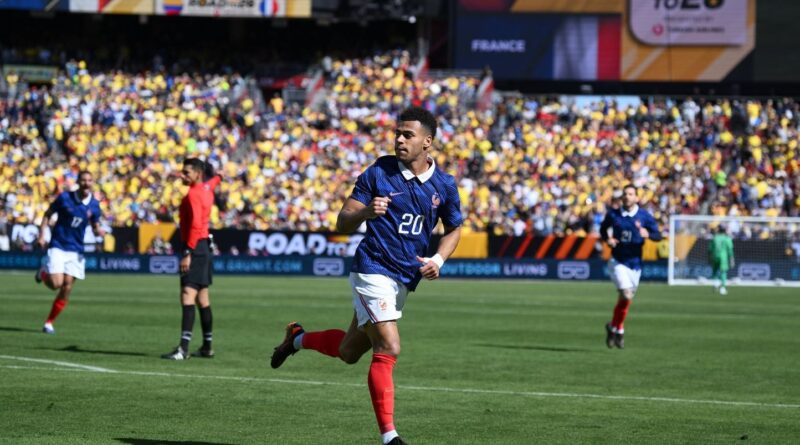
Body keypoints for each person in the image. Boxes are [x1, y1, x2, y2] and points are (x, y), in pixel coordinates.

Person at [270, 107, 463, 445]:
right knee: (389, 345)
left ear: (427, 142)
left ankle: (296, 338)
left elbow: (454, 229)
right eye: (398, 133)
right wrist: (364, 211)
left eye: (408, 135)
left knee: (349, 351)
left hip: (403, 278)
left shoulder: (444, 185)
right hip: (371, 269)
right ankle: (390, 437)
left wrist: (438, 258)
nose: (399, 139)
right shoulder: (378, 172)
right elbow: (342, 222)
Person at [162, 158, 221, 360]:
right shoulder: (207, 187)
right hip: (204, 246)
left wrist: (187, 253)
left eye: (187, 172)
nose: (182, 175)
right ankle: (207, 347)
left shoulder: (195, 194)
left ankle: (183, 349)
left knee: (187, 295)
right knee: (202, 299)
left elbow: (195, 226)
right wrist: (215, 173)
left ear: (197, 174)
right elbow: (216, 179)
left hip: (195, 247)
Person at [36, 171, 104, 334]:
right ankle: (43, 273)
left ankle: (49, 322)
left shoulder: (94, 205)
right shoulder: (65, 198)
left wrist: (98, 231)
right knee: (55, 284)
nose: (87, 183)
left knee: (66, 288)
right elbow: (48, 214)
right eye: (83, 180)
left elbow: (95, 224)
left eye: (89, 180)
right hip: (59, 245)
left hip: (76, 250)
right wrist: (41, 235)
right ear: (78, 182)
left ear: (92, 182)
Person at [599, 184, 662, 349]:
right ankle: (618, 329)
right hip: (618, 261)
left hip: (635, 264)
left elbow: (658, 235)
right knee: (626, 295)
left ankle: (616, 328)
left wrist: (648, 234)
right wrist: (608, 239)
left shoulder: (644, 216)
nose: (627, 196)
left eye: (630, 194)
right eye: (625, 194)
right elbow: (603, 229)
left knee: (624, 300)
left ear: (636, 198)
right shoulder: (613, 214)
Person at [709, 224, 734, 295]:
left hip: (715, 256)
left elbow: (710, 249)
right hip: (723, 257)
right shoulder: (727, 238)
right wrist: (732, 259)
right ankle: (722, 288)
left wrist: (710, 257)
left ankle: (716, 283)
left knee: (715, 270)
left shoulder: (715, 238)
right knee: (723, 272)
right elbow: (730, 250)